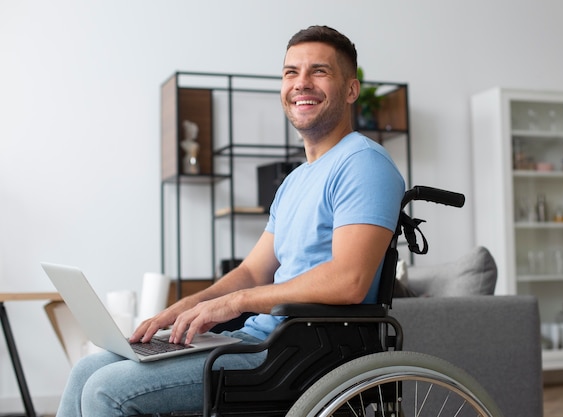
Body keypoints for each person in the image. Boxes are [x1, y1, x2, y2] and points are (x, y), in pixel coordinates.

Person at [56, 25, 405, 416]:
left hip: (303, 353)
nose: (301, 83)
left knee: (107, 390)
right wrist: (190, 305)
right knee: (89, 368)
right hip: (260, 340)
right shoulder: (295, 181)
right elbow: (253, 271)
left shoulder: (363, 163)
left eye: (319, 71)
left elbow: (350, 280)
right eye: (291, 72)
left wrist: (235, 303)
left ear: (351, 89)